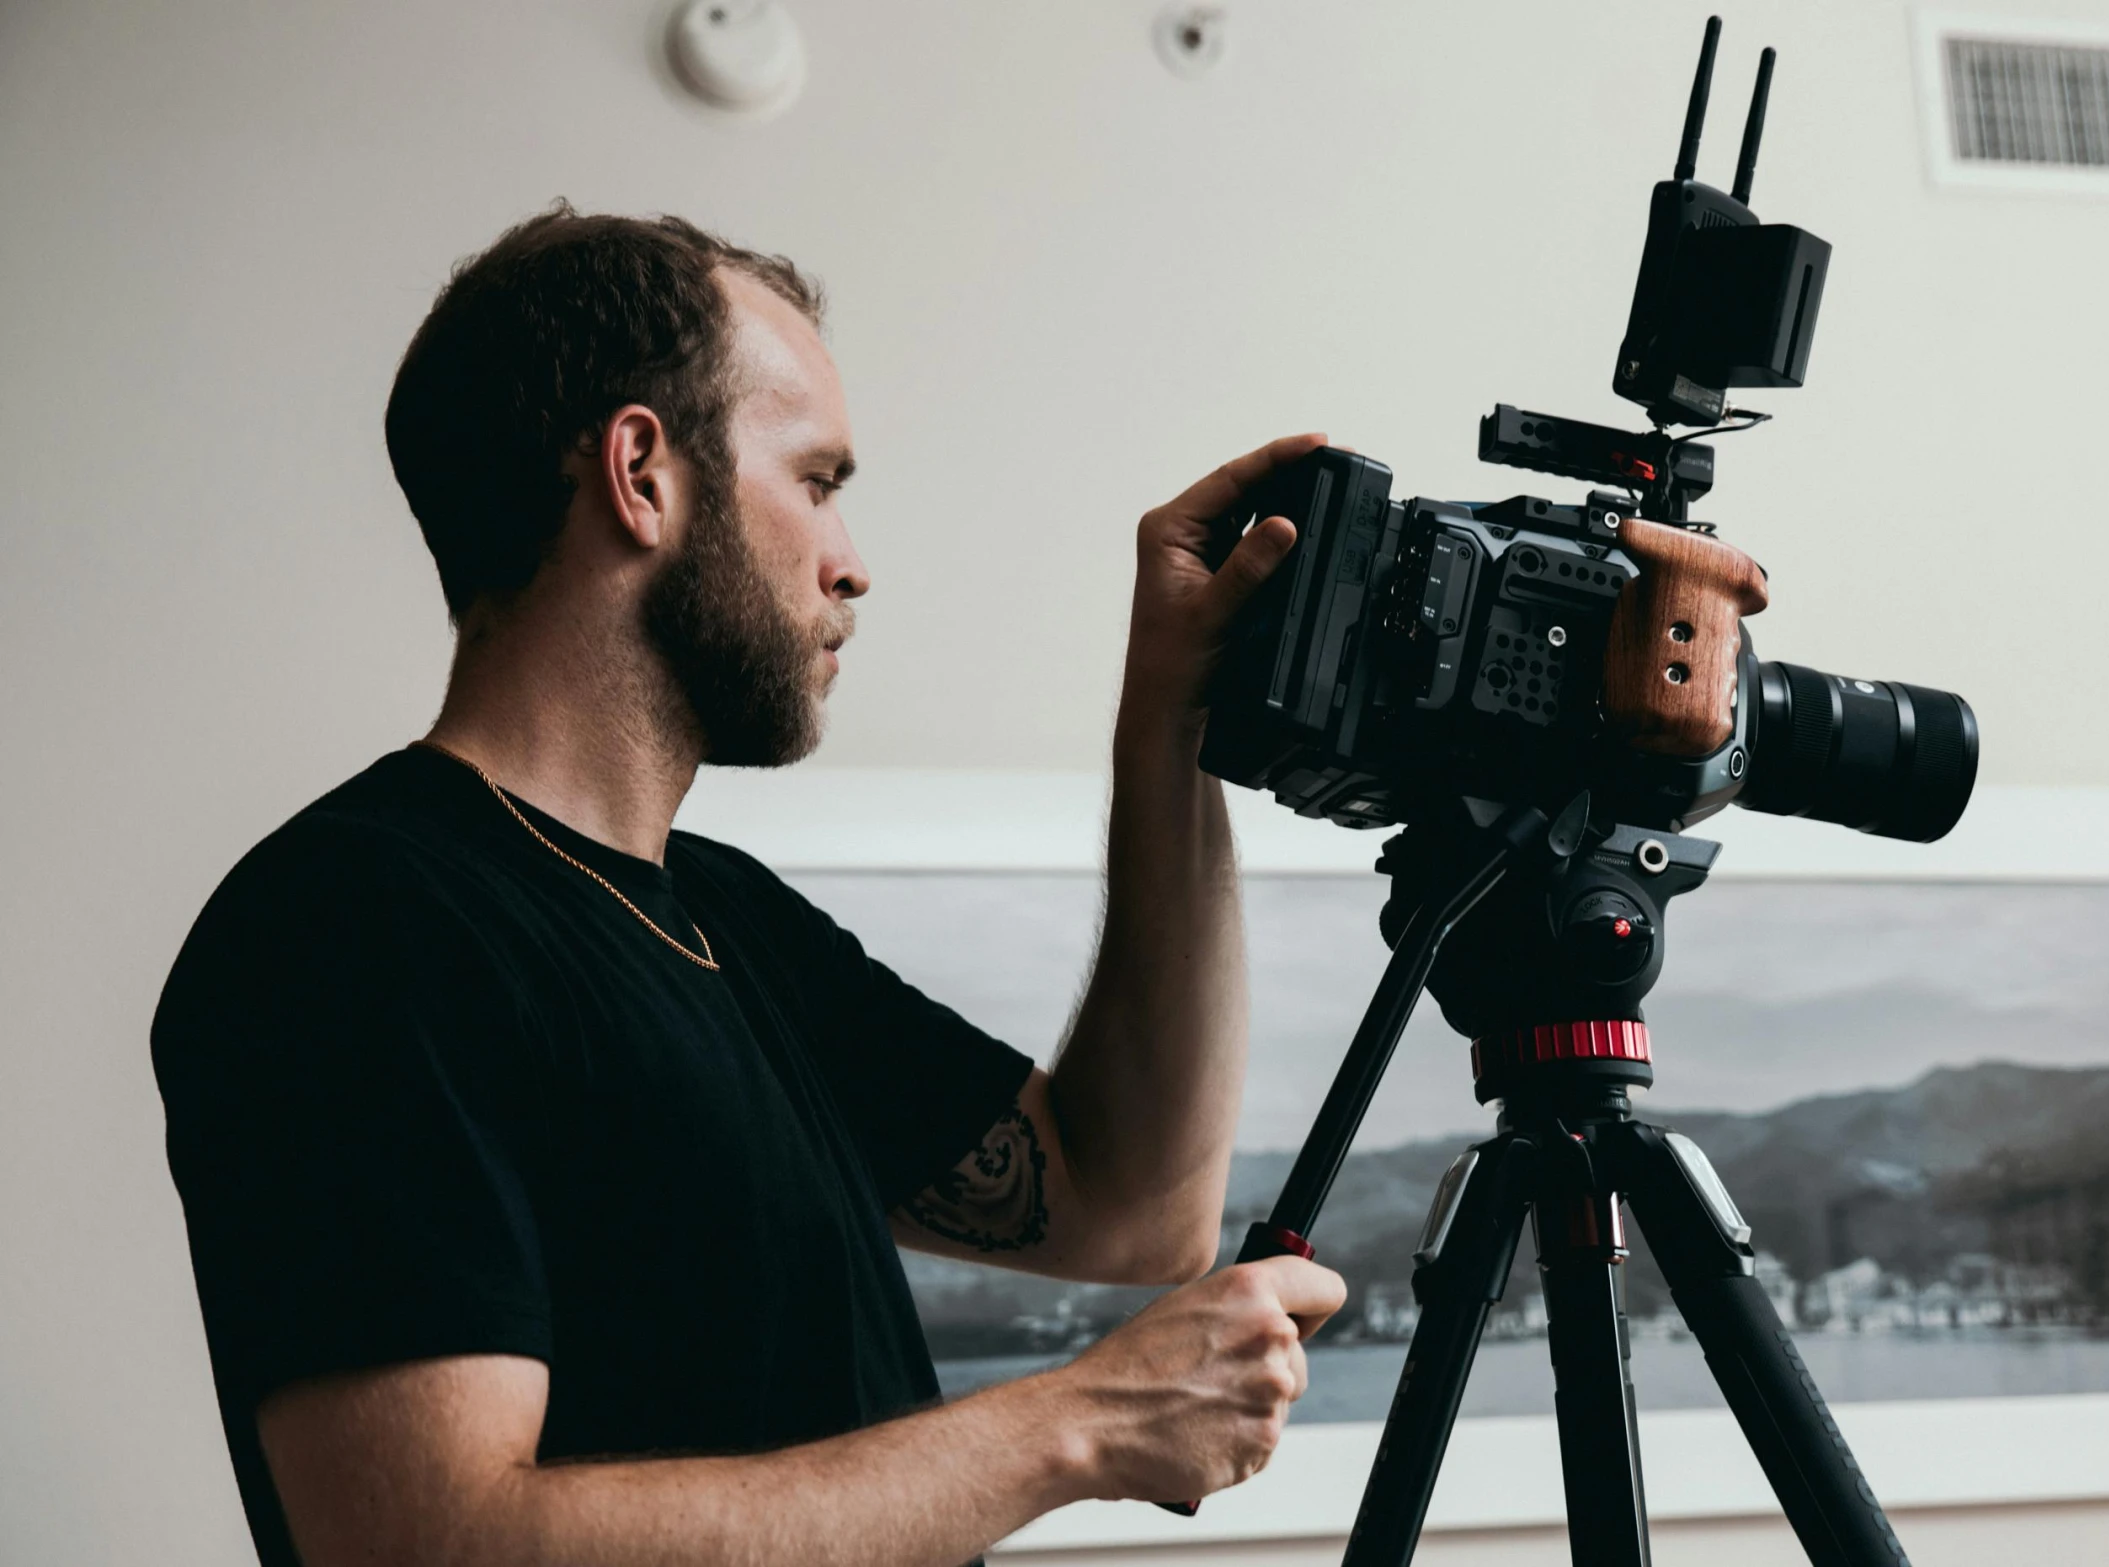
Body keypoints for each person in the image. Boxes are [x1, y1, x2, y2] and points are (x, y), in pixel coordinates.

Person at [150, 203, 1347, 1567]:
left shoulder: (729, 915)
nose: (851, 560)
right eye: (818, 478)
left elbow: (1130, 1203)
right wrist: (1079, 1423)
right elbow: (429, 1541)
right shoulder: (352, 925)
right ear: (642, 473)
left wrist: (1170, 726)